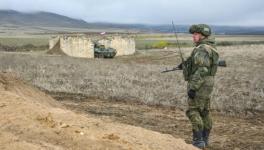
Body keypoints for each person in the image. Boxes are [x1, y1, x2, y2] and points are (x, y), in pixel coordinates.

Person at [178, 24, 219, 149]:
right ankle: (205, 140)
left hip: (200, 83)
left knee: (193, 110)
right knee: (204, 111)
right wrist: (185, 65)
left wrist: (193, 88)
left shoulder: (202, 49)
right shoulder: (210, 47)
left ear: (202, 35)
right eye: (193, 34)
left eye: (195, 34)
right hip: (208, 83)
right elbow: (202, 65)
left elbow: (202, 69)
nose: (193, 36)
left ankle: (198, 141)